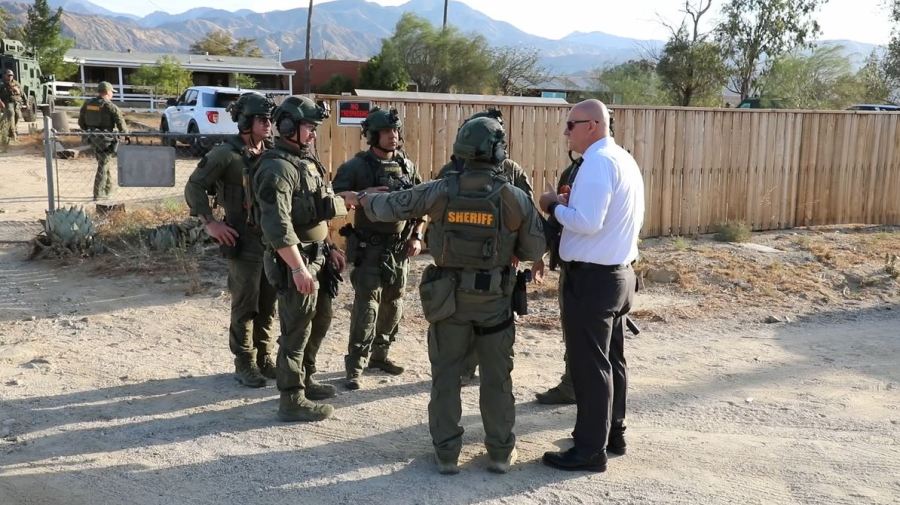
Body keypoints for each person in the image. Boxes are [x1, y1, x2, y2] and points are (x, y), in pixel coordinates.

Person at [339, 116, 546, 475]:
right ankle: (499, 452)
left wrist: (361, 199)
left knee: (446, 376)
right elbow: (533, 248)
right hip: (495, 301)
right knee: (497, 378)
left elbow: (394, 206)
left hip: (447, 300)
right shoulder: (512, 196)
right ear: (498, 151)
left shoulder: (440, 190)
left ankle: (447, 454)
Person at [537, 99, 644, 473]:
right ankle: (612, 434)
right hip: (618, 274)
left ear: (593, 125)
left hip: (594, 279)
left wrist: (552, 205)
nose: (566, 131)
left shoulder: (598, 163)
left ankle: (588, 451)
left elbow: (588, 222)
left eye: (571, 124)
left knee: (589, 366)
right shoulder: (622, 159)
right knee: (612, 360)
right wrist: (570, 206)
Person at [253, 96, 347, 422]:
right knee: (295, 330)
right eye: (309, 127)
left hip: (317, 256)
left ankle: (305, 378)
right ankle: (291, 398)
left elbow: (318, 214)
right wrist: (297, 267)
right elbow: (277, 226)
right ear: (290, 127)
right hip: (296, 261)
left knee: (319, 321)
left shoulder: (305, 162)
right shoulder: (276, 168)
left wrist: (330, 246)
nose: (313, 134)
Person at [184, 93, 278, 388]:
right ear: (246, 121)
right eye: (262, 119)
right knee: (245, 303)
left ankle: (265, 357)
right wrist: (211, 223)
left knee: (268, 302)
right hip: (244, 241)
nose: (268, 125)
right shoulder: (226, 153)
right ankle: (244, 361)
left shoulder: (271, 152)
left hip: (272, 241)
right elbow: (194, 186)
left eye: (270, 120)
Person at [435, 108, 534, 385]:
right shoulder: (452, 171)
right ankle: (464, 365)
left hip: (498, 260)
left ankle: (483, 364)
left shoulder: (512, 171)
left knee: (496, 318)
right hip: (458, 262)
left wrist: (517, 252)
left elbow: (526, 214)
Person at [332, 106, 426, 390]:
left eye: (395, 131)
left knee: (393, 305)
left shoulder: (407, 166)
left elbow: (421, 203)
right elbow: (333, 197)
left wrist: (417, 236)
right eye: (386, 131)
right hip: (369, 249)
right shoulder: (357, 167)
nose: (393, 136)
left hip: (400, 249)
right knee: (366, 308)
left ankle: (380, 355)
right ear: (372, 135)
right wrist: (362, 196)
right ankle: (355, 366)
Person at [78, 81, 128, 200]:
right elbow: (121, 123)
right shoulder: (110, 106)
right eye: (112, 92)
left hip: (92, 138)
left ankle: (109, 188)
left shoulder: (88, 104)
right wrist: (125, 135)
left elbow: (81, 122)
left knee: (104, 163)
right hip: (106, 140)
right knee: (103, 165)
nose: (113, 94)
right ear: (107, 92)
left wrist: (90, 131)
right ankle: (98, 193)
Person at [0, 69, 23, 142]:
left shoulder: (16, 83)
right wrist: (1, 103)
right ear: (5, 76)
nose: (10, 77)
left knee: (17, 116)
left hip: (16, 103)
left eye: (11, 75)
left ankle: (12, 132)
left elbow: (22, 93)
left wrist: (17, 90)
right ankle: (13, 134)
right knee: (11, 114)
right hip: (6, 103)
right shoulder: (1, 84)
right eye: (8, 75)